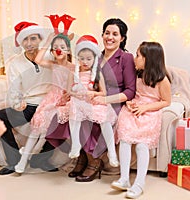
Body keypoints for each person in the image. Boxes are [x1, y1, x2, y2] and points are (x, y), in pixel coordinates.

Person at [46, 18, 136, 182]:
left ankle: (94, 161)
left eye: (115, 34)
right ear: (102, 35)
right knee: (68, 111)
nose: (110, 37)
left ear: (122, 38)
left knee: (89, 117)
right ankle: (82, 156)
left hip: (113, 99)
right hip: (89, 97)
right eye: (107, 33)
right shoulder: (94, 56)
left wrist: (105, 98)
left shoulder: (126, 58)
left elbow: (130, 91)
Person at [0, 21, 58, 175]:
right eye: (25, 40)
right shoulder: (16, 63)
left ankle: (40, 160)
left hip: (49, 104)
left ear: (40, 39)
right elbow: (14, 89)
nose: (29, 43)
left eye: (33, 38)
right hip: (28, 106)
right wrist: (17, 104)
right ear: (21, 42)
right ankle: (14, 161)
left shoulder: (51, 56)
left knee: (64, 121)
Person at [111, 41, 171, 199]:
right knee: (125, 140)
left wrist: (146, 108)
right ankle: (124, 179)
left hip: (149, 112)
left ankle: (139, 183)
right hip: (133, 110)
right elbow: (131, 93)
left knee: (141, 145)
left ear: (148, 59)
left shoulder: (162, 80)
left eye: (138, 55)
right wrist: (129, 103)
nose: (134, 58)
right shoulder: (137, 74)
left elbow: (166, 101)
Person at [14, 32, 75, 173]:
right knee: (37, 124)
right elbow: (38, 59)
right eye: (55, 47)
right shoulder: (53, 65)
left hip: (64, 100)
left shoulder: (72, 67)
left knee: (48, 123)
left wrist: (64, 98)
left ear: (68, 50)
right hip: (51, 97)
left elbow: (70, 89)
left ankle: (35, 150)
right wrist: (48, 41)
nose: (58, 49)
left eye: (62, 47)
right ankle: (22, 162)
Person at [68, 35, 118, 165]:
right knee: (73, 107)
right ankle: (75, 145)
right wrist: (75, 94)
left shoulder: (96, 74)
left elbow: (103, 92)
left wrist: (92, 93)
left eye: (88, 59)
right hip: (79, 102)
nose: (85, 62)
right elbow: (69, 90)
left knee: (103, 117)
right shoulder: (74, 74)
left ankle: (112, 152)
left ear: (94, 59)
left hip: (93, 101)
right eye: (82, 59)